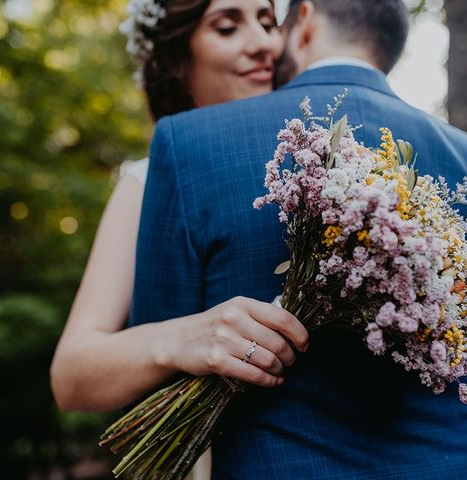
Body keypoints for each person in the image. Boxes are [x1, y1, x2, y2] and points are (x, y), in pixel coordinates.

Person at [131, 0, 467, 478]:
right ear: (391, 47)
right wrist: (465, 313)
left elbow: (154, 373)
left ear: (306, 19)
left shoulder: (186, 143)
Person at [50, 1, 310, 478]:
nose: (264, 44)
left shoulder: (326, 162)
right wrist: (181, 338)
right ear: (178, 60)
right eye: (228, 27)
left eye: (268, 22)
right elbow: (70, 375)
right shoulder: (146, 182)